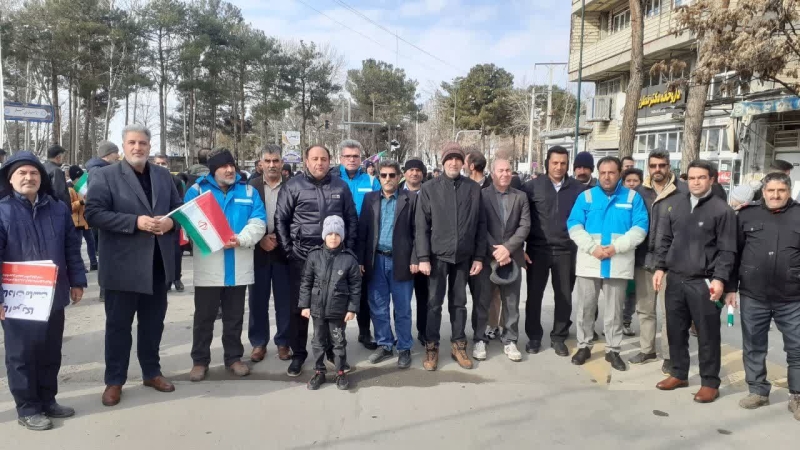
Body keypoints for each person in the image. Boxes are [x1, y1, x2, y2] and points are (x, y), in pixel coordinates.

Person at [85, 124, 182, 407]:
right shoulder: (105, 175)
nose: (137, 147)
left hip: (157, 265)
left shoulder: (163, 176)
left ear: (149, 146)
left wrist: (171, 223)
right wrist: (134, 222)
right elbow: (93, 214)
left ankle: (152, 372)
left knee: (153, 325)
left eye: (142, 143)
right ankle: (115, 380)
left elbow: (179, 211)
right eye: (132, 143)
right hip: (122, 266)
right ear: (123, 146)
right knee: (118, 327)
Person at [0, 152, 87, 431]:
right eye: (22, 173)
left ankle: (48, 400)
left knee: (51, 352)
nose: (29, 177)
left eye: (34, 173)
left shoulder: (58, 209)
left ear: (41, 178)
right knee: (22, 356)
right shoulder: (2, 211)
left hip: (52, 295)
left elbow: (71, 248)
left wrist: (77, 281)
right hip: (17, 300)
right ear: (10, 179)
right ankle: (28, 408)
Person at [653, 159, 737, 403]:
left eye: (701, 177)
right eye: (691, 178)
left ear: (711, 179)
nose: (696, 182)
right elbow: (665, 239)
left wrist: (720, 279)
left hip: (704, 282)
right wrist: (660, 267)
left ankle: (709, 382)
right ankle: (679, 373)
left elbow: (727, 250)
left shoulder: (722, 210)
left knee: (707, 333)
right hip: (675, 278)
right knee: (675, 329)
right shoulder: (676, 205)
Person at [275, 145, 358, 377]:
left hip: (333, 258)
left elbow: (351, 218)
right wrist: (289, 251)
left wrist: (348, 251)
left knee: (332, 308)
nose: (319, 163)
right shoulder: (293, 186)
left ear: (330, 161)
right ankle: (299, 354)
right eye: (314, 158)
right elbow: (281, 219)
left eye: (323, 159)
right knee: (300, 308)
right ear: (306, 161)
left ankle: (331, 352)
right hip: (301, 257)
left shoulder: (340, 186)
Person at [183, 149, 266, 381]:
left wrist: (241, 239)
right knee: (204, 317)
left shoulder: (248, 191)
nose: (230, 170)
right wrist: (211, 238)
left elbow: (258, 221)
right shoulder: (197, 191)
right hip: (209, 266)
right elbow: (188, 223)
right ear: (213, 170)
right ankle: (200, 361)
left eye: (232, 165)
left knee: (234, 316)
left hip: (238, 264)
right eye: (223, 166)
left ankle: (233, 358)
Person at [729, 172, 800, 417]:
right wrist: (730, 288)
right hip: (753, 294)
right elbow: (733, 253)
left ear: (789, 191)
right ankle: (758, 391)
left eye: (781, 190)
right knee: (754, 346)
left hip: (793, 296)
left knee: (797, 347)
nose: (775, 195)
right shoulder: (746, 215)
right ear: (764, 192)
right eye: (771, 190)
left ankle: (797, 396)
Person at [568, 157, 648, 371]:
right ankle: (584, 346)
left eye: (611, 172)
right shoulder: (586, 197)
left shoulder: (632, 198)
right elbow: (574, 225)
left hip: (617, 262)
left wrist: (616, 247)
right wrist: (592, 248)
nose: (606, 177)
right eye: (602, 172)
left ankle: (613, 350)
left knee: (615, 311)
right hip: (590, 261)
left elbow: (640, 228)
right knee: (585, 308)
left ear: (619, 173)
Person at [415, 142, 486, 371]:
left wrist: (479, 256)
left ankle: (458, 345)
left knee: (459, 303)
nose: (454, 163)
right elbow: (421, 227)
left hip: (463, 257)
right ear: (443, 162)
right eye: (449, 159)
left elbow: (481, 224)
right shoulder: (429, 188)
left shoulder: (473, 189)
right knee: (433, 304)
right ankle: (432, 346)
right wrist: (423, 257)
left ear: (463, 163)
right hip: (437, 257)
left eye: (458, 159)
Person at [522, 146, 586, 355]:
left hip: (567, 250)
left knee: (564, 296)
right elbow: (522, 219)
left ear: (568, 165)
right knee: (534, 296)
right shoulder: (531, 187)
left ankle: (559, 336)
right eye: (555, 163)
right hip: (537, 250)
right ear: (546, 163)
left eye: (563, 163)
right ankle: (534, 337)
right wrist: (520, 248)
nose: (559, 167)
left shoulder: (578, 189)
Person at [357, 159, 417, 369]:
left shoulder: (410, 199)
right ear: (379, 177)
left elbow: (418, 232)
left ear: (399, 177)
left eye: (392, 175)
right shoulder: (370, 198)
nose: (388, 179)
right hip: (376, 261)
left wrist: (416, 258)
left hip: (401, 261)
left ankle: (404, 346)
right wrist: (361, 260)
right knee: (378, 306)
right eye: (383, 175)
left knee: (402, 308)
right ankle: (385, 343)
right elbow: (363, 231)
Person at [628, 150, 682, 372]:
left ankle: (669, 355)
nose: (657, 170)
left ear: (669, 166)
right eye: (653, 166)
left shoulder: (681, 192)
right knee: (645, 309)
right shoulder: (639, 193)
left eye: (662, 165)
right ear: (648, 167)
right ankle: (647, 349)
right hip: (643, 259)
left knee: (670, 312)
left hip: (670, 263)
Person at [474, 158, 530, 362]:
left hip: (512, 256)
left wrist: (507, 248)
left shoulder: (520, 196)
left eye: (508, 170)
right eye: (501, 170)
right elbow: (479, 225)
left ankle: (510, 339)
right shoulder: (482, 195)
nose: (505, 174)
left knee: (511, 302)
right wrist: (496, 250)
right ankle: (479, 338)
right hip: (487, 257)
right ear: (492, 173)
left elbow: (525, 226)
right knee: (483, 300)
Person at [299, 215, 360, 391]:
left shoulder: (349, 259)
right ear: (324, 235)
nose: (333, 237)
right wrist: (305, 305)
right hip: (317, 309)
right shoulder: (314, 256)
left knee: (338, 342)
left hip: (338, 310)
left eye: (337, 234)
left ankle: (340, 372)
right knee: (318, 342)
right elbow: (306, 282)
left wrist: (352, 308)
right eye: (330, 233)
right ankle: (319, 371)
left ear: (342, 236)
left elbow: (356, 286)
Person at [333, 139, 380, 350]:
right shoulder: (332, 179)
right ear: (340, 158)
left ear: (361, 158)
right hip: (337, 242)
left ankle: (365, 332)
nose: (352, 159)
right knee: (336, 291)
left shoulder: (371, 181)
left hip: (364, 243)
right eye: (347, 156)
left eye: (355, 156)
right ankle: (336, 336)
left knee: (363, 291)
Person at [248, 145, 292, 362]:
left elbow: (299, 218)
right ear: (261, 164)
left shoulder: (293, 186)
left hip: (284, 252)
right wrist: (260, 239)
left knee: (285, 301)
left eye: (276, 161)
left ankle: (284, 342)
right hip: (258, 251)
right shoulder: (250, 188)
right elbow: (244, 219)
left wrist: (281, 239)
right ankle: (258, 343)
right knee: (257, 300)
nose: (272, 165)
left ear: (282, 163)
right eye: (268, 161)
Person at [399, 159, 428, 344]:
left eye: (418, 170)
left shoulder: (430, 192)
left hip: (425, 253)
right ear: (405, 173)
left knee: (424, 297)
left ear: (423, 173)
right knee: (401, 300)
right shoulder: (396, 193)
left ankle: (423, 331)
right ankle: (402, 336)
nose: (414, 173)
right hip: (401, 254)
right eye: (411, 170)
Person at [154, 155, 186, 292]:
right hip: (155, 222)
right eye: (158, 163)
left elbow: (179, 202)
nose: (161, 166)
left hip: (172, 222)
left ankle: (177, 278)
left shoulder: (176, 181)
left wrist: (173, 221)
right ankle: (166, 280)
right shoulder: (150, 179)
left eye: (163, 163)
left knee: (176, 252)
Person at [620, 167, 644, 337]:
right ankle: (614, 322)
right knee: (617, 292)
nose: (631, 184)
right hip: (619, 252)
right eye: (628, 181)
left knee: (631, 292)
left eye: (635, 181)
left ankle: (625, 321)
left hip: (639, 254)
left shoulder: (643, 199)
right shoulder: (618, 198)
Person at [67, 165, 98, 271]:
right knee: (77, 246)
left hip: (85, 220)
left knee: (91, 242)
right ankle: (81, 266)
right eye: (79, 177)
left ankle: (94, 263)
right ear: (75, 178)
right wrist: (81, 202)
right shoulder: (69, 188)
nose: (82, 180)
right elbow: (69, 207)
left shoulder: (84, 186)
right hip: (76, 222)